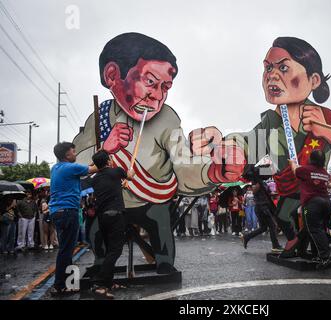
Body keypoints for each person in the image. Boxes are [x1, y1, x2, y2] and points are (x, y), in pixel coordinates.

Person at [73, 33, 245, 274]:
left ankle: (164, 262)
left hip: (150, 201)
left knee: (159, 223)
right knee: (96, 231)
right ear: (112, 75)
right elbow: (75, 168)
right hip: (112, 202)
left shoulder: (167, 118)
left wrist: (212, 171)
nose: (157, 95)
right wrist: (103, 149)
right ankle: (101, 264)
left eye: (165, 87)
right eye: (150, 82)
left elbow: (182, 163)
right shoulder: (98, 119)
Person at [191, 37, 331, 256]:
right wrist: (229, 146)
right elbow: (251, 140)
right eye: (267, 68)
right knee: (283, 216)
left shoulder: (324, 116)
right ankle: (299, 243)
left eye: (284, 67)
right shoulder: (271, 121)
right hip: (288, 186)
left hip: (314, 186)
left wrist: (330, 132)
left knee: (315, 216)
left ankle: (327, 241)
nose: (272, 75)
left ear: (314, 80)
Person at [49, 142, 97, 296]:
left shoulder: (56, 168)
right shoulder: (71, 167)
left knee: (66, 248)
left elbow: (86, 170)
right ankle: (59, 285)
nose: (75, 154)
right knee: (65, 250)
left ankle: (67, 283)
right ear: (67, 155)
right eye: (73, 151)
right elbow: (94, 169)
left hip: (57, 212)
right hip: (68, 212)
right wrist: (101, 158)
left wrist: (93, 162)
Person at [90, 150, 135, 299]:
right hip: (116, 215)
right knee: (115, 251)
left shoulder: (95, 179)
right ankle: (99, 283)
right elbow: (129, 177)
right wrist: (131, 172)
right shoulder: (117, 171)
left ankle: (109, 282)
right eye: (110, 158)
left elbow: (109, 188)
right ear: (108, 161)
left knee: (110, 250)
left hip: (103, 217)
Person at [288, 150, 331, 268]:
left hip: (313, 204)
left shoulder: (306, 169)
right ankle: (319, 254)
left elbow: (295, 170)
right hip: (326, 203)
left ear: (311, 159)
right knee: (320, 229)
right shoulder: (324, 172)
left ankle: (326, 256)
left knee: (313, 229)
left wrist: (292, 162)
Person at [242, 180, 283, 253]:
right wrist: (258, 183)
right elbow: (254, 191)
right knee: (272, 225)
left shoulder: (264, 183)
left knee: (263, 228)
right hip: (262, 207)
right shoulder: (257, 181)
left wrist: (275, 193)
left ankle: (247, 237)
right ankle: (275, 246)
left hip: (264, 207)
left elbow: (268, 193)